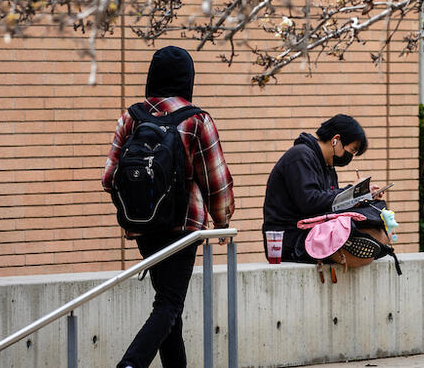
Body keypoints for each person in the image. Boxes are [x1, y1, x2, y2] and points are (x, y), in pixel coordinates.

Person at [102, 46, 235, 368]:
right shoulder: (196, 120)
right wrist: (222, 223)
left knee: (169, 307)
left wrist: (136, 212)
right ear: (187, 79)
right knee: (170, 303)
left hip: (143, 225)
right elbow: (215, 180)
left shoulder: (131, 117)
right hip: (182, 227)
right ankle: (131, 364)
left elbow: (109, 178)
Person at [262, 114, 385, 262]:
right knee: (364, 247)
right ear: (336, 140)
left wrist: (361, 197)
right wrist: (351, 191)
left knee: (379, 232)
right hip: (291, 240)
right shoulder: (300, 156)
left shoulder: (328, 168)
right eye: (352, 150)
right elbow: (310, 202)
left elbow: (332, 206)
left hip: (312, 233)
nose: (351, 156)